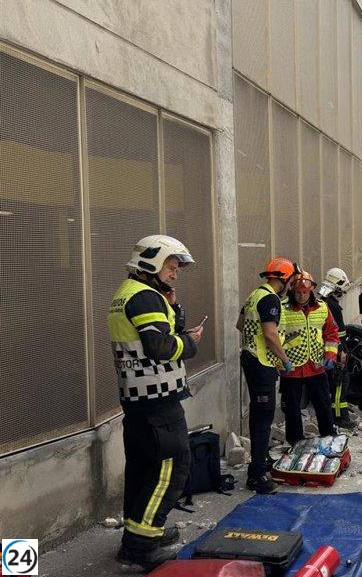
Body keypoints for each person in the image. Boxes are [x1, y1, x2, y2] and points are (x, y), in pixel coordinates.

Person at [108, 235, 203, 570]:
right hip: (157, 401)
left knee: (142, 469)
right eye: (172, 266)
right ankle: (140, 547)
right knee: (172, 468)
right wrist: (189, 344)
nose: (175, 273)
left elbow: (156, 335)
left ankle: (141, 532)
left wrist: (173, 308)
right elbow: (159, 347)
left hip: (137, 401)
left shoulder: (128, 294)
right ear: (151, 261)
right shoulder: (146, 298)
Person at [236, 257, 298, 495]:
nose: (291, 285)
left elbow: (240, 324)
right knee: (263, 418)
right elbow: (271, 334)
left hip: (251, 359)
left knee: (259, 415)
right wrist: (284, 359)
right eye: (291, 280)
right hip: (262, 363)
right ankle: (257, 475)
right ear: (283, 278)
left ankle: (260, 460)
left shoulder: (254, 295)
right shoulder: (271, 299)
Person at [279, 271, 339, 444]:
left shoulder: (322, 307)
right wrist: (279, 362)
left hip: (316, 365)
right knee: (292, 408)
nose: (301, 295)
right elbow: (275, 337)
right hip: (291, 367)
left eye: (305, 292)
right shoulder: (283, 308)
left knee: (323, 404)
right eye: (298, 292)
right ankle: (295, 442)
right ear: (292, 290)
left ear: (311, 290)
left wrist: (330, 355)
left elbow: (331, 333)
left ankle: (328, 437)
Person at [318, 267, 356, 428]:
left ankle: (335, 417)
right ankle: (340, 418)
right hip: (334, 351)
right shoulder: (332, 306)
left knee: (333, 384)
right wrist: (342, 351)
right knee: (340, 384)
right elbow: (338, 333)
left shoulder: (321, 302)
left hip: (325, 350)